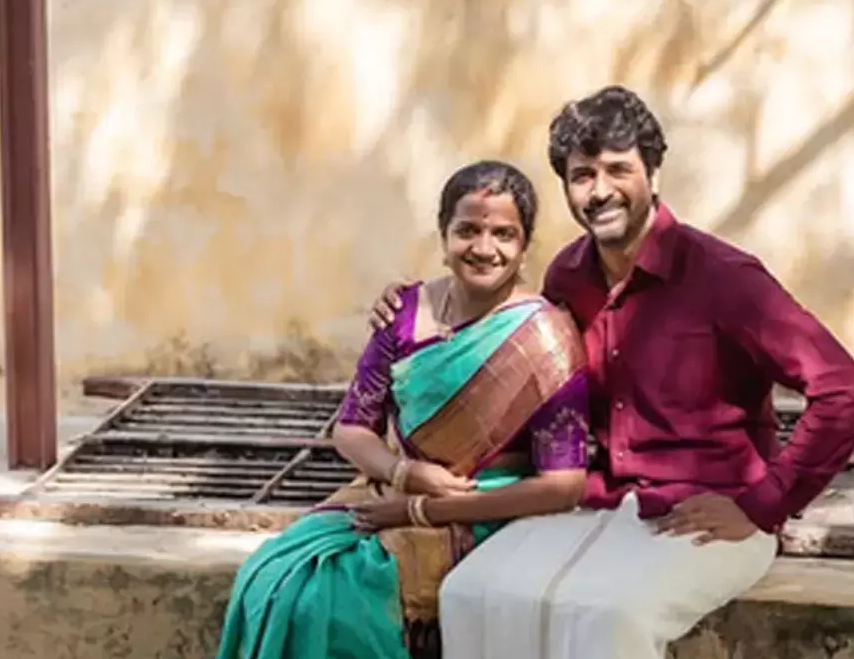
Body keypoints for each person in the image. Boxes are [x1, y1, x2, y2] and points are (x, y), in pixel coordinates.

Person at [367, 86, 854, 658]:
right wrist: (411, 307)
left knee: (609, 619)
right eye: (582, 175)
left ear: (653, 172)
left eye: (617, 169)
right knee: (469, 591)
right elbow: (493, 327)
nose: (600, 189)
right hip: (596, 500)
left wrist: (765, 502)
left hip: (711, 512)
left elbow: (844, 390)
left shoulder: (724, 277)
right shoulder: (568, 277)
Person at [215, 160, 591, 659]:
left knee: (346, 597)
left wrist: (423, 507)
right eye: (468, 230)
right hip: (394, 485)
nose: (485, 248)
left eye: (504, 233)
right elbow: (352, 429)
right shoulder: (405, 313)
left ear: (524, 246)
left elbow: (564, 485)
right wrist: (408, 474)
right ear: (443, 236)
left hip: (487, 504)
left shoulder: (545, 339)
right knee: (274, 574)